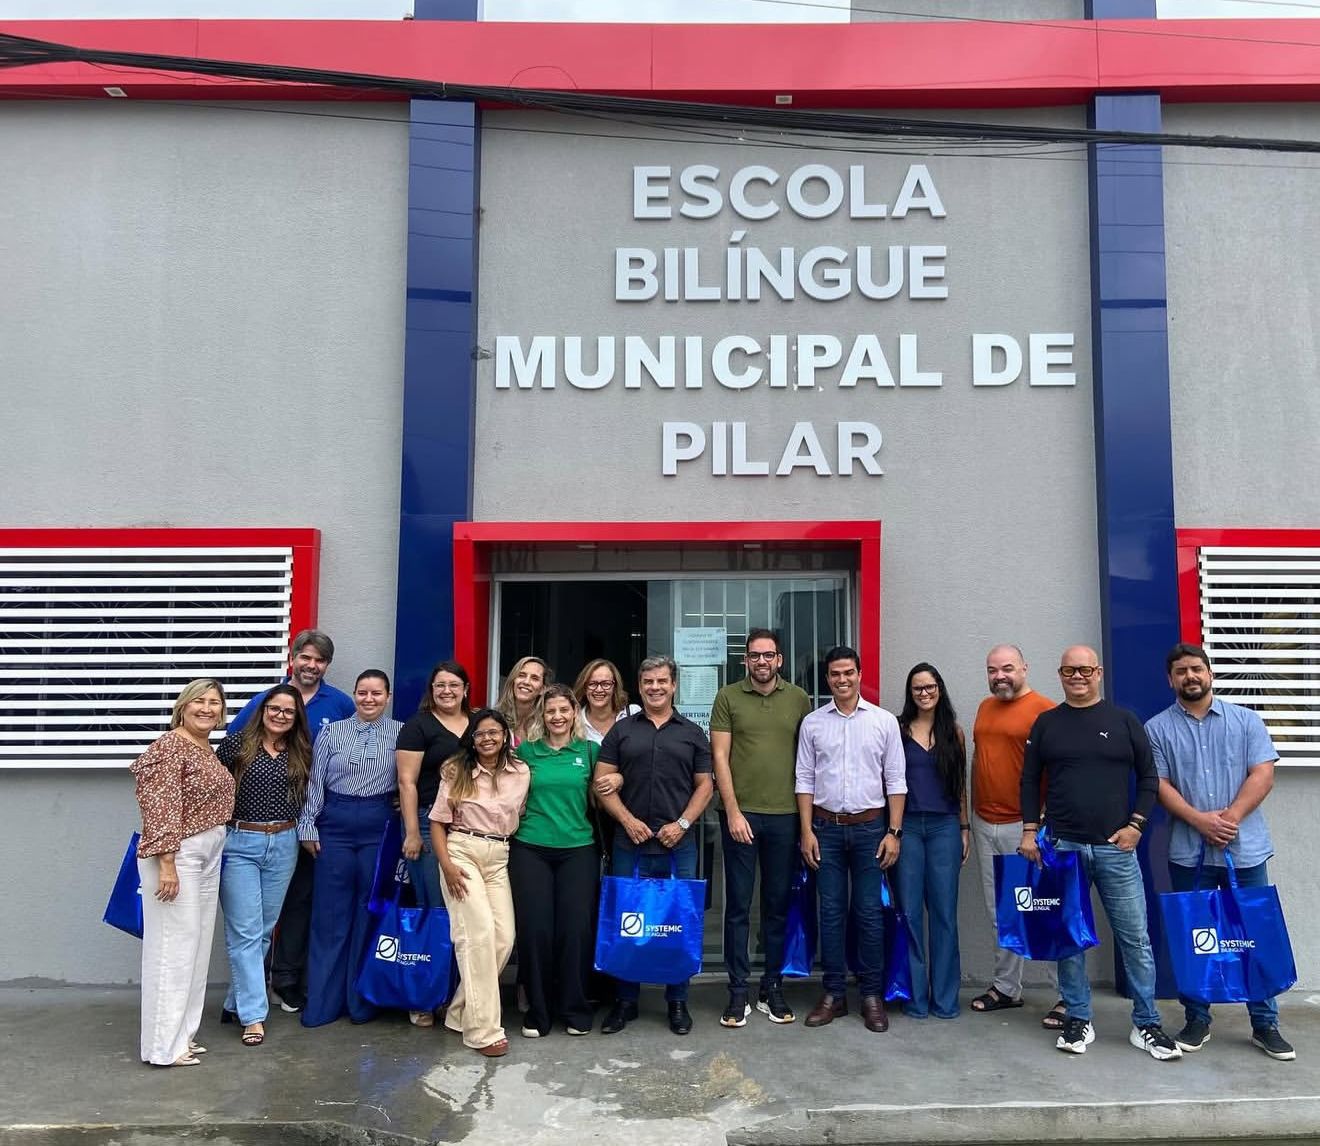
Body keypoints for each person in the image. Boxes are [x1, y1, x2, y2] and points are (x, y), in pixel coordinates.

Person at [1020, 646, 1180, 1060]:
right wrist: (1029, 831)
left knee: (1135, 939)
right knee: (1069, 940)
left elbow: (1149, 777)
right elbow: (1029, 779)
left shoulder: (1124, 721)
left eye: (1085, 669)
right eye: (1069, 670)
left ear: (1099, 672)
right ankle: (1078, 1018)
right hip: (1063, 848)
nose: (1078, 676)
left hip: (1115, 847)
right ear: (1059, 674)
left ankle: (1146, 1024)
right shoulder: (1047, 723)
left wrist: (1136, 826)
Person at [1146, 642, 1294, 1061]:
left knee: (1254, 934)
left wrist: (1228, 819)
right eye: (1180, 672)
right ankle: (1197, 1019)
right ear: (1170, 679)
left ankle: (1265, 1024)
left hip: (1244, 850)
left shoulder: (1246, 721)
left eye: (1196, 669)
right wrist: (1200, 820)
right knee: (1196, 936)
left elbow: (1262, 774)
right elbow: (1158, 785)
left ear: (1209, 673)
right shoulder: (1156, 729)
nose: (1189, 677)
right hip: (1188, 851)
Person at [228, 629, 355, 1015]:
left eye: (319, 660)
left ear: (327, 666)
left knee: (298, 903)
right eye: (306, 657)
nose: (311, 665)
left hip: (312, 824)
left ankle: (285, 980)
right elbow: (231, 756)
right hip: (257, 828)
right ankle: (250, 994)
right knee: (254, 922)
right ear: (293, 657)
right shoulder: (266, 702)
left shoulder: (342, 704)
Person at [594, 655, 714, 1036]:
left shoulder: (693, 733)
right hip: (630, 841)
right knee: (627, 917)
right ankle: (625, 1001)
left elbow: (705, 786)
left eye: (662, 681)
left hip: (679, 844)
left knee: (678, 919)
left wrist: (682, 824)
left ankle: (677, 1000)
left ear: (674, 685)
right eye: (648, 682)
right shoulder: (621, 731)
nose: (655, 687)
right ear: (640, 685)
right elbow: (601, 784)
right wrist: (627, 821)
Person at [795, 646, 906, 1035]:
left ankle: (872, 995)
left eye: (848, 673)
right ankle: (834, 994)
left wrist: (894, 833)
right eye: (835, 675)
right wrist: (806, 831)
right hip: (824, 829)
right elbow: (804, 779)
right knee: (830, 913)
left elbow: (895, 780)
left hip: (870, 830)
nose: (842, 680)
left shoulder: (883, 721)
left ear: (860, 675)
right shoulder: (812, 723)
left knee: (869, 913)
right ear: (827, 679)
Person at [709, 628, 812, 1028]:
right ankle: (738, 992)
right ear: (745, 660)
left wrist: (805, 823)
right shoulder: (728, 697)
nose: (762, 662)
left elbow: (808, 758)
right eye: (754, 655)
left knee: (776, 907)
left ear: (780, 660)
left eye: (768, 655)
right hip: (741, 815)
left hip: (786, 816)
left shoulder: (799, 698)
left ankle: (773, 986)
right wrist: (732, 811)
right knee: (737, 907)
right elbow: (720, 756)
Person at [131, 678, 236, 1067]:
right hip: (179, 855)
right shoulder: (170, 745)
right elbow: (159, 805)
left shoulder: (204, 748)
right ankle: (162, 1046)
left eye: (214, 702)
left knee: (195, 945)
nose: (207, 708)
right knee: (172, 948)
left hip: (207, 852)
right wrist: (168, 864)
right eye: (199, 701)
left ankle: (182, 1036)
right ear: (183, 706)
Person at [298, 670, 402, 1028]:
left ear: (387, 697)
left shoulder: (401, 733)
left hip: (378, 825)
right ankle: (323, 1004)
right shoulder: (332, 731)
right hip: (336, 824)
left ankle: (360, 1002)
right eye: (362, 693)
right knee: (330, 915)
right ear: (354, 696)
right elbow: (316, 780)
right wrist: (307, 824)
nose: (368, 699)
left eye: (376, 693)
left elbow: (407, 781)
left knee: (368, 912)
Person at [968, 643, 1061, 1027]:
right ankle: (1007, 988)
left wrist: (1037, 824)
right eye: (993, 670)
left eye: (1007, 668)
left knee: (1043, 910)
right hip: (984, 821)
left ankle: (1067, 996)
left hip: (1025, 827)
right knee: (1000, 911)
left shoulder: (1046, 711)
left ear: (1025, 667)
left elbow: (1058, 773)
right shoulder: (985, 707)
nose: (999, 676)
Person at [215, 683, 312, 1047]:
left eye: (288, 711)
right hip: (240, 842)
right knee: (244, 931)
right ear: (263, 708)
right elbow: (211, 788)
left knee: (263, 929)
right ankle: (254, 1016)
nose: (281, 715)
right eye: (274, 708)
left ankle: (233, 1002)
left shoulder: (301, 750)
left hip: (285, 843)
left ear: (296, 716)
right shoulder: (237, 744)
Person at [430, 708, 530, 1057]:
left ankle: (458, 1012)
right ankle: (482, 1030)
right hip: (462, 851)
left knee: (503, 938)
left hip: (499, 855)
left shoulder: (520, 771)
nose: (487, 738)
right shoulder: (456, 770)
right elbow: (438, 823)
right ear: (471, 739)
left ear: (505, 736)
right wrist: (447, 866)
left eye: (494, 732)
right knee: (478, 935)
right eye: (480, 733)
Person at [510, 685, 600, 1037]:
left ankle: (575, 1008)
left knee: (575, 930)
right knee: (536, 931)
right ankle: (538, 1011)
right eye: (551, 712)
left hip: (579, 848)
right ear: (541, 716)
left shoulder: (590, 751)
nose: (558, 717)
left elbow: (606, 791)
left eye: (564, 710)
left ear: (574, 713)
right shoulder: (526, 752)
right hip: (530, 848)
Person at [395, 660, 472, 1027]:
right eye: (440, 685)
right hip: (427, 826)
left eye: (453, 685)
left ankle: (454, 995)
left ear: (465, 689)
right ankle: (424, 995)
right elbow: (407, 783)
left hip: (470, 829)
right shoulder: (418, 726)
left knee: (462, 915)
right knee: (432, 910)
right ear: (432, 689)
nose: (447, 691)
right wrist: (412, 831)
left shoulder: (476, 725)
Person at [894, 662, 969, 1021]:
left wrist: (965, 828)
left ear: (939, 688)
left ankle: (945, 999)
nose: (924, 693)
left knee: (943, 914)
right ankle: (915, 998)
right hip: (907, 827)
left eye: (930, 687)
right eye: (917, 689)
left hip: (944, 828)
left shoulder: (954, 732)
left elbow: (960, 785)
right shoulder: (897, 729)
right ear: (910, 694)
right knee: (908, 913)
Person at [573, 658, 640, 744]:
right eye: (592, 684)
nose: (599, 689)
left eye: (606, 684)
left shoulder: (633, 714)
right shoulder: (575, 721)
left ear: (615, 687)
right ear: (584, 687)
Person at [495, 655, 551, 745]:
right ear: (513, 680)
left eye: (534, 678)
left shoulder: (548, 725)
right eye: (521, 675)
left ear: (543, 689)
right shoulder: (495, 719)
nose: (526, 682)